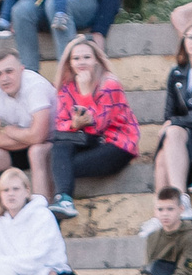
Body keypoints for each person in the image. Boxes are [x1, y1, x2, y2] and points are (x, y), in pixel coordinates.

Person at [47, 34, 137, 223]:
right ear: (69, 62)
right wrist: (73, 125)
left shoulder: (110, 84)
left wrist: (86, 92)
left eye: (87, 57)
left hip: (117, 145)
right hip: (88, 141)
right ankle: (64, 200)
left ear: (96, 59)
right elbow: (61, 123)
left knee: (62, 167)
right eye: (76, 58)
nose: (82, 62)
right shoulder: (67, 88)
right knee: (59, 145)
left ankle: (60, 203)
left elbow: (98, 124)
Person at [0, 48, 57, 237]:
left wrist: (11, 131)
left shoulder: (35, 85)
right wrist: (23, 135)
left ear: (21, 69)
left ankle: (41, 224)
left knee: (36, 151)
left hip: (52, 146)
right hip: (23, 144)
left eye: (9, 71)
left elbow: (39, 136)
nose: (4, 78)